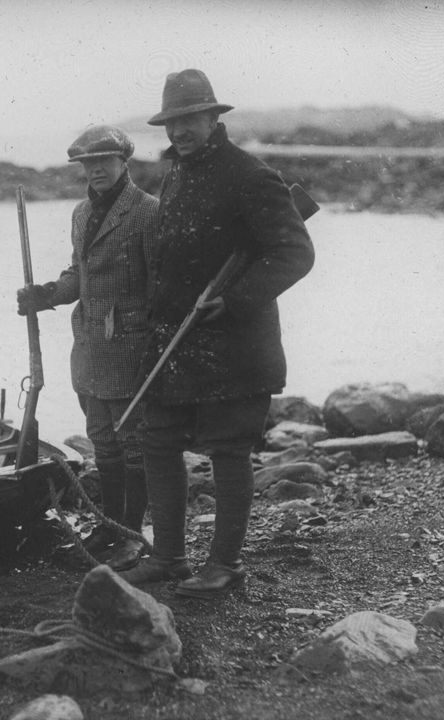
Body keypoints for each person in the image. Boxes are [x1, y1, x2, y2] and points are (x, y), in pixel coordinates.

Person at [119, 69, 315, 598]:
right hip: (177, 341)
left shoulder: (250, 175)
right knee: (158, 440)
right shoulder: (176, 174)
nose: (178, 131)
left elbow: (295, 252)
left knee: (228, 450)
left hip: (235, 344)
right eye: (171, 122)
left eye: (189, 120)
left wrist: (234, 300)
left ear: (212, 118)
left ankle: (225, 565)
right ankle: (169, 557)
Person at [17, 125, 159, 571]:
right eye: (87, 164)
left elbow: (162, 284)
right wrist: (46, 294)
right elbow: (78, 273)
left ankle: (131, 534)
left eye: (104, 161)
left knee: (132, 446)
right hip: (90, 348)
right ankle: (109, 526)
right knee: (103, 443)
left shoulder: (147, 211)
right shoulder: (81, 213)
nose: (95, 170)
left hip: (131, 347)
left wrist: (154, 343)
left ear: (124, 162)